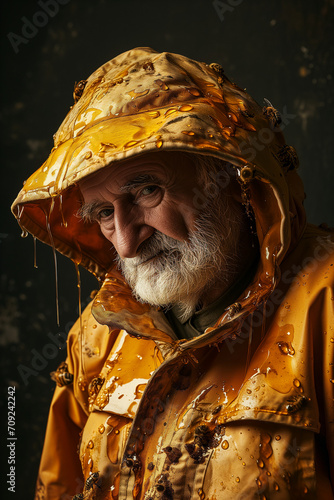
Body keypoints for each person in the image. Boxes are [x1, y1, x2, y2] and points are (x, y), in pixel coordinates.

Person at [12, 47, 333, 500]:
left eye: (146, 190)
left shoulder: (327, 305)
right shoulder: (99, 334)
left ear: (231, 178)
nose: (125, 243)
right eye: (104, 212)